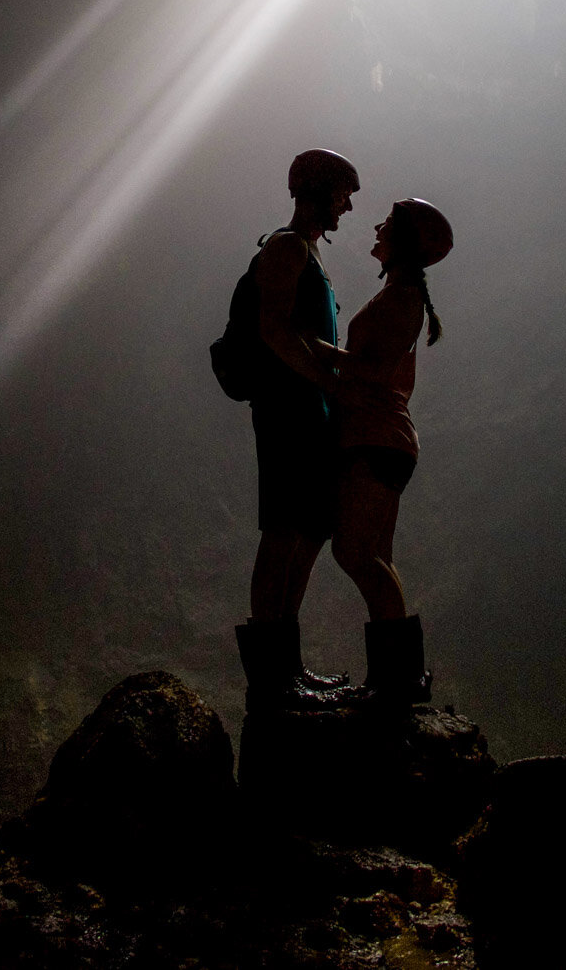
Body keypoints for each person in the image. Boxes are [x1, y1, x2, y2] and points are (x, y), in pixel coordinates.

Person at [311, 198, 453, 705]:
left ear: (405, 244)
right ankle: (395, 681)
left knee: (354, 551)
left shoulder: (401, 300)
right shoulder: (404, 296)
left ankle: (399, 681)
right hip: (387, 437)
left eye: (388, 225)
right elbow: (397, 379)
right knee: (377, 556)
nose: (377, 227)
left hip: (375, 437)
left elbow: (371, 370)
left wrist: (313, 347)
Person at [235, 148, 360, 711]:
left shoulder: (308, 254)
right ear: (318, 191)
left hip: (310, 411)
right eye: (342, 194)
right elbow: (274, 331)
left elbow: (303, 334)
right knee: (285, 531)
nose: (348, 205)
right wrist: (328, 381)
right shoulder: (286, 249)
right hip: (288, 411)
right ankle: (271, 680)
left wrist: (350, 366)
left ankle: (288, 671)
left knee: (307, 531)